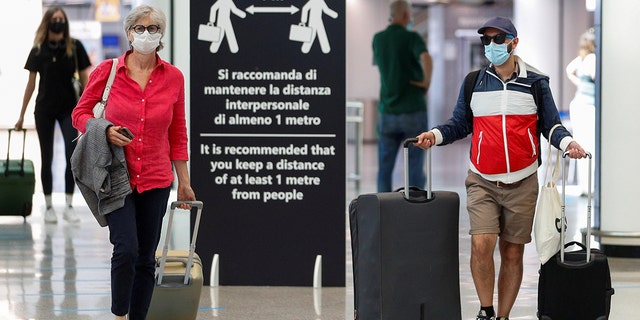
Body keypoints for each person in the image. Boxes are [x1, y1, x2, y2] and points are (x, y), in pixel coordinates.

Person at [413, 17, 587, 320]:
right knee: (482, 243)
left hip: (522, 182)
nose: (491, 46)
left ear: (513, 42)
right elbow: (459, 124)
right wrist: (435, 135)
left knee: (512, 251)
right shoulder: (473, 83)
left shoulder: (536, 82)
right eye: (486, 40)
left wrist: (568, 142)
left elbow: (551, 125)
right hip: (482, 179)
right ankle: (485, 309)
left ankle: (503, 316)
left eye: (498, 39)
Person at [71, 5, 196, 320]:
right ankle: (119, 315)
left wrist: (184, 182)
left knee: (145, 258)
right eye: (139, 28)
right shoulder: (108, 71)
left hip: (156, 178)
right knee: (125, 249)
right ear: (128, 33)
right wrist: (105, 129)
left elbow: (177, 133)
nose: (146, 34)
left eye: (153, 28)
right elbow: (79, 114)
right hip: (116, 176)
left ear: (161, 35)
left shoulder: (173, 78)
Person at [15, 6, 92, 224]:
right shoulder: (38, 49)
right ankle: (48, 206)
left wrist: (88, 107)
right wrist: (21, 115)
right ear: (48, 22)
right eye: (55, 19)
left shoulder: (74, 46)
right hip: (44, 109)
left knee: (71, 154)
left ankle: (68, 205)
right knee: (46, 157)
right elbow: (31, 85)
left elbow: (86, 78)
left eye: (61, 19)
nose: (58, 22)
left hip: (69, 109)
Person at [372, 0, 432, 192]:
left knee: (384, 167)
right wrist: (426, 83)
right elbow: (426, 58)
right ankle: (415, 208)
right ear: (406, 15)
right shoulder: (412, 38)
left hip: (387, 111)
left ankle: (383, 209)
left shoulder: (378, 39)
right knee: (414, 165)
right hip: (413, 110)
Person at [566, 28, 596, 196]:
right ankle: (591, 187)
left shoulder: (582, 58)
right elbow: (596, 77)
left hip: (578, 104)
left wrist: (580, 84)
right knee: (590, 146)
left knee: (581, 145)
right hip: (589, 107)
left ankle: (586, 186)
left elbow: (569, 70)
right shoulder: (593, 58)